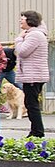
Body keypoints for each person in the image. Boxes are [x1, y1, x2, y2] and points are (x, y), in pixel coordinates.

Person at [13, 10, 49, 138]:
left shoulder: (35, 35)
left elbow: (22, 51)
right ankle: (34, 131)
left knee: (31, 104)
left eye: (22, 19)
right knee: (30, 103)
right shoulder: (34, 34)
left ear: (30, 20)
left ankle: (38, 132)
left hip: (34, 75)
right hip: (32, 74)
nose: (20, 21)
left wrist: (18, 39)